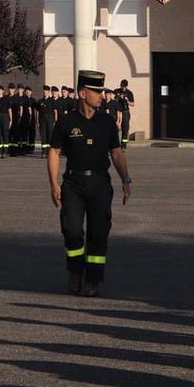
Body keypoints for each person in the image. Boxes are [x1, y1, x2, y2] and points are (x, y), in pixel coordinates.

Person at [47, 69, 132, 297]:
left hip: (100, 183)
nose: (101, 96)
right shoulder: (66, 122)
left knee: (99, 232)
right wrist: (54, 184)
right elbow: (54, 152)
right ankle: (75, 271)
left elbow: (116, 153)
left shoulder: (106, 122)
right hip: (73, 183)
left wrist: (125, 178)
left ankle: (92, 279)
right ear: (83, 93)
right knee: (72, 230)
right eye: (97, 92)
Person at [117, 78, 135, 148]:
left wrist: (127, 101)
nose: (123, 88)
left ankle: (124, 145)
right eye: (122, 86)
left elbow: (133, 104)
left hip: (125, 111)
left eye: (124, 87)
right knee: (116, 128)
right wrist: (118, 97)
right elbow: (113, 98)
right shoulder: (117, 91)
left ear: (126, 86)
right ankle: (115, 144)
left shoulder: (129, 93)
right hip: (118, 111)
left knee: (125, 128)